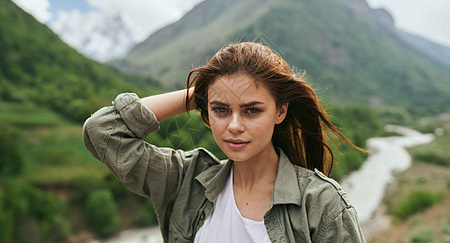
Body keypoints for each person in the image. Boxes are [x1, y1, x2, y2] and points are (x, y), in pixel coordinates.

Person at [83, 42, 366, 242]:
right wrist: (201, 94)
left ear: (280, 111)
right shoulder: (185, 182)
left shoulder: (321, 204)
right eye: (221, 110)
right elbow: (102, 130)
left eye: (252, 110)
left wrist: (220, 95)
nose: (234, 126)